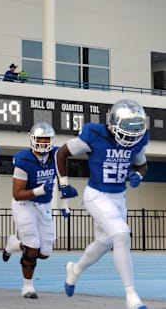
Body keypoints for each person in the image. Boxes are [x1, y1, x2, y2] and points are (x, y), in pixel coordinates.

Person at [58, 99, 149, 309]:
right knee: (121, 234)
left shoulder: (139, 138)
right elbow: (61, 153)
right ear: (112, 123)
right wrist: (64, 184)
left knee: (104, 242)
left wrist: (137, 175)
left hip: (119, 197)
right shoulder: (94, 134)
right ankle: (131, 295)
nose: (129, 138)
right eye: (125, 131)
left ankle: (75, 270)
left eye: (134, 132)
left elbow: (141, 165)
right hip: (96, 194)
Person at [2, 122, 59, 299]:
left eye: (46, 139)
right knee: (33, 244)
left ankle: (14, 244)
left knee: (44, 253)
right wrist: (38, 190)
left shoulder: (56, 155)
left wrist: (63, 202)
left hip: (44, 205)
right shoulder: (23, 160)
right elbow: (17, 194)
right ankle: (28, 287)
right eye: (39, 139)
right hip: (24, 204)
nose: (43, 142)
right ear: (32, 139)